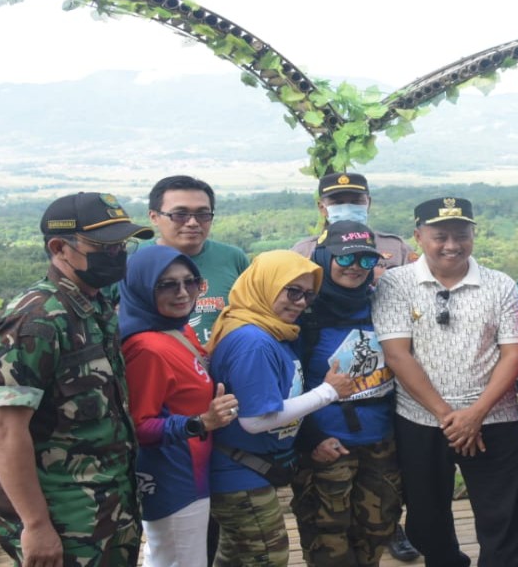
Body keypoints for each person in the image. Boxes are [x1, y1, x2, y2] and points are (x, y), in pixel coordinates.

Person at [0, 192, 152, 566]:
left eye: (123, 244)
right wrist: (36, 524)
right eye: (105, 246)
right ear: (59, 247)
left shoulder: (94, 308)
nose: (118, 254)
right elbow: (4, 430)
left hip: (107, 508)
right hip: (64, 517)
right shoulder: (36, 322)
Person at [372, 197, 518, 567]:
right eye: (440, 235)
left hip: (494, 418)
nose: (451, 245)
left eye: (461, 235)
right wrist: (450, 416)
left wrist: (475, 413)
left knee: (503, 519)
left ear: (474, 234)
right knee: (426, 522)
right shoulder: (396, 283)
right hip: (422, 420)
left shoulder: (499, 284)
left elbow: (513, 354)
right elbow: (397, 354)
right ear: (418, 236)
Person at [290, 170, 420, 561]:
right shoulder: (303, 312)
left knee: (377, 531)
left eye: (365, 257)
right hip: (327, 443)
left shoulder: (384, 303)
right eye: (344, 257)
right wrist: (309, 439)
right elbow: (287, 383)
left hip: (380, 440)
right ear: (325, 257)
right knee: (328, 537)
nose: (355, 266)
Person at [205, 250, 359, 567]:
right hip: (240, 474)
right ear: (265, 285)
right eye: (291, 291)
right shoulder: (254, 340)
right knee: (268, 557)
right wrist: (328, 392)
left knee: (235, 557)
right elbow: (255, 420)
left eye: (307, 295)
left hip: (246, 470)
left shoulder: (273, 330)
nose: (300, 302)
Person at [119, 245, 241, 567]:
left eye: (191, 282)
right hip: (173, 477)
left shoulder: (176, 327)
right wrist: (202, 422)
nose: (183, 292)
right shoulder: (146, 348)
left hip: (192, 470)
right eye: (167, 284)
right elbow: (140, 426)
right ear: (142, 287)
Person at [146, 175, 251, 345]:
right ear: (154, 217)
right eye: (180, 214)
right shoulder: (134, 262)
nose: (193, 223)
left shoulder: (233, 258)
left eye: (202, 214)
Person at [290, 171, 417, 279]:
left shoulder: (397, 248)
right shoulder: (304, 250)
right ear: (322, 208)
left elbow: (416, 286)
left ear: (369, 203)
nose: (347, 208)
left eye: (356, 202)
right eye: (338, 203)